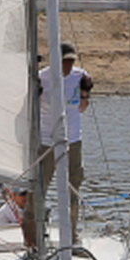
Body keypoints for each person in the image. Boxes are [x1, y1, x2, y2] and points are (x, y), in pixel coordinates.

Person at [34, 41, 93, 245]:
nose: (68, 66)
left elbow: (82, 108)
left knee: (74, 187)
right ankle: (35, 237)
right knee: (40, 187)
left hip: (73, 140)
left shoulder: (79, 76)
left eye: (71, 62)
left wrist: (85, 93)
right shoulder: (42, 78)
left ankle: (71, 234)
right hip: (47, 142)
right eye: (65, 62)